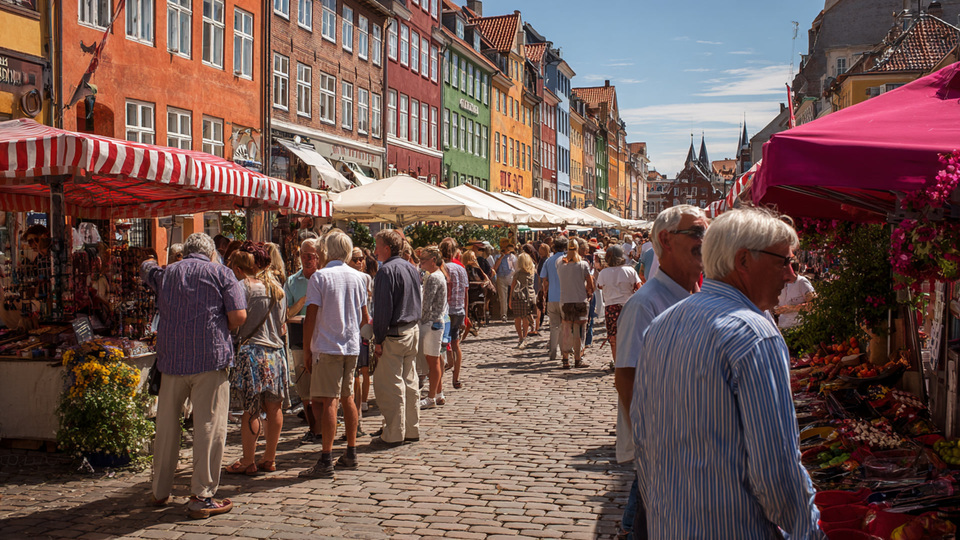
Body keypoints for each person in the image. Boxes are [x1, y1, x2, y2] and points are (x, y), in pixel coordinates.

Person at [632, 207, 820, 538]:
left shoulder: (663, 324)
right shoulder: (754, 333)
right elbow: (776, 468)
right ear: (744, 260)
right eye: (784, 262)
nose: (791, 275)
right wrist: (808, 530)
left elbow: (643, 439)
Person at [615, 204, 707, 540]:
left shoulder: (697, 294)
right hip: (667, 451)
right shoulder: (646, 304)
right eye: (697, 233)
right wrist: (651, 446)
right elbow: (627, 378)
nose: (705, 240)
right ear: (666, 240)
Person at [140, 233, 246, 520]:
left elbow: (147, 270)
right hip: (209, 360)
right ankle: (201, 495)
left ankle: (159, 490)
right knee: (209, 426)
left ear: (185, 252)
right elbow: (238, 316)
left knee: (166, 428)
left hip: (172, 361)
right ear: (211, 253)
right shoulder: (221, 273)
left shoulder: (167, 274)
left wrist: (148, 260)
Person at [299, 232, 369, 478]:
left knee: (330, 400)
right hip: (351, 346)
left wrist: (307, 350)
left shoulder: (320, 277)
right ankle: (351, 451)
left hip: (328, 346)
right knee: (348, 398)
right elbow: (365, 317)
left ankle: (326, 458)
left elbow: (310, 318)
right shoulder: (359, 277)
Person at [224, 242, 288, 476]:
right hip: (275, 353)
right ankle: (269, 458)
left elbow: (235, 321)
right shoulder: (276, 288)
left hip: (252, 353)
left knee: (251, 409)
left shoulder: (243, 287)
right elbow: (282, 325)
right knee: (274, 407)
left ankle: (248, 460)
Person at [371, 229, 422, 447]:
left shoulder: (386, 271)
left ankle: (393, 433)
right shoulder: (410, 267)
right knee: (410, 382)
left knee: (391, 386)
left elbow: (383, 309)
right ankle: (411, 429)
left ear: (387, 248)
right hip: (412, 330)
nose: (375, 251)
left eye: (377, 247)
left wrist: (378, 339)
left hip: (395, 333)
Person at [284, 238, 323, 445]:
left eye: (312, 256)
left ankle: (323, 426)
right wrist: (303, 301)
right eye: (304, 255)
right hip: (299, 337)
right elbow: (286, 313)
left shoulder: (324, 278)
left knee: (321, 384)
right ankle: (313, 428)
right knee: (304, 387)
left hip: (321, 338)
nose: (308, 259)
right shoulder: (292, 282)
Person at [595, 245, 640, 363]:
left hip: (611, 307)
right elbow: (639, 287)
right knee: (629, 336)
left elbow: (600, 286)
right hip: (628, 306)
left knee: (613, 338)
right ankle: (629, 362)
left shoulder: (604, 273)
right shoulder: (630, 270)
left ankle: (617, 364)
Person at [417, 246, 448, 410]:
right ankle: (438, 393)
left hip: (431, 323)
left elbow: (426, 304)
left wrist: (420, 321)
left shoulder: (433, 277)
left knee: (433, 362)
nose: (421, 262)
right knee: (435, 360)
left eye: (424, 259)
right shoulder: (438, 275)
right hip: (437, 322)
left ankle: (431, 398)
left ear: (433, 260)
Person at [557, 238, 594, 369]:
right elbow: (590, 283)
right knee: (579, 331)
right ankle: (578, 358)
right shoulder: (583, 265)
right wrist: (589, 292)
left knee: (566, 330)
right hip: (580, 299)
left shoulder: (560, 264)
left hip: (565, 300)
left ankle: (565, 359)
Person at [347, 247, 373, 414]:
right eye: (355, 259)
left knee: (365, 368)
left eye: (361, 259)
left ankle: (363, 401)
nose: (359, 262)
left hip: (364, 326)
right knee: (355, 370)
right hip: (353, 327)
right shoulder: (351, 277)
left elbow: (371, 300)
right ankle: (356, 401)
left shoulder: (366, 278)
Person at [440, 238, 468, 390]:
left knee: (441, 345)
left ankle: (439, 382)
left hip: (445, 311)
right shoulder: (461, 269)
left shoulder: (442, 268)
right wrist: (465, 314)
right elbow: (465, 292)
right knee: (456, 344)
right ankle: (456, 377)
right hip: (459, 310)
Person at [539, 237, 567, 362]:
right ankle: (563, 351)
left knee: (554, 325)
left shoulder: (549, 261)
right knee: (564, 325)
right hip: (566, 297)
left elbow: (544, 279)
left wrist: (545, 293)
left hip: (552, 296)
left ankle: (553, 351)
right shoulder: (567, 260)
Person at [775, 261, 816, 329]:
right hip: (783, 326)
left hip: (800, 326)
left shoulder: (802, 282)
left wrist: (791, 308)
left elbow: (813, 304)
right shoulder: (780, 284)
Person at [509, 253, 537, 349]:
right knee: (525, 318)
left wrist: (510, 299)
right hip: (529, 297)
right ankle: (524, 337)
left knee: (517, 318)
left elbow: (513, 287)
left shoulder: (517, 274)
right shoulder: (532, 273)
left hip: (518, 297)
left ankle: (520, 337)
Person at [493, 239, 517, 321]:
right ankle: (503, 314)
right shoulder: (497, 257)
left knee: (514, 295)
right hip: (501, 278)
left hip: (511, 277)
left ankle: (515, 313)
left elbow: (516, 268)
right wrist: (501, 256)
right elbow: (495, 268)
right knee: (503, 297)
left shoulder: (512, 257)